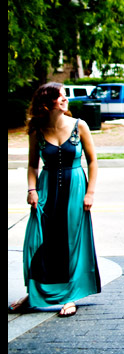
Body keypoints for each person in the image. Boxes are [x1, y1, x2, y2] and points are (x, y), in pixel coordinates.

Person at [8, 83, 101, 317]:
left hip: (76, 188)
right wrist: (32, 190)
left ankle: (71, 296)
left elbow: (92, 161)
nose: (64, 99)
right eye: (60, 96)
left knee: (71, 242)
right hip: (46, 188)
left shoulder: (80, 126)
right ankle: (35, 295)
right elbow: (32, 164)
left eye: (64, 96)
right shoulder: (36, 129)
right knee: (41, 242)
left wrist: (90, 192)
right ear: (47, 102)